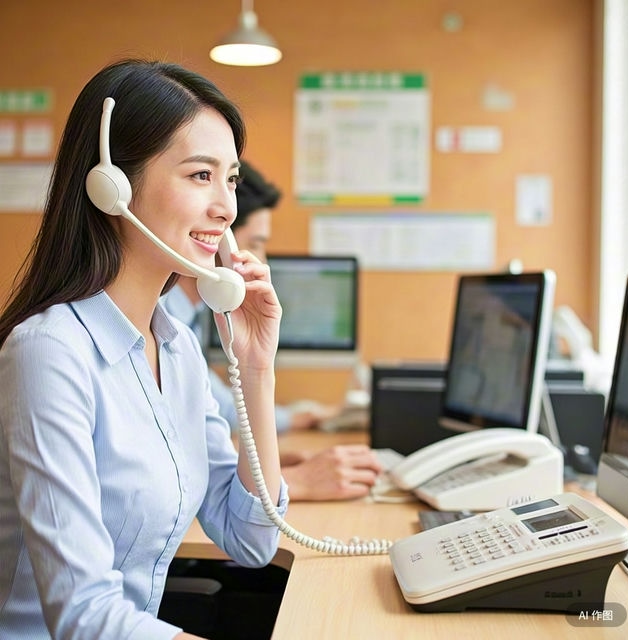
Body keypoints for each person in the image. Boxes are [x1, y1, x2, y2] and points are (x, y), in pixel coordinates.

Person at [0, 58, 288, 640]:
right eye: (200, 175)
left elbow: (251, 538)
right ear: (114, 187)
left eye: (230, 179)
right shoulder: (49, 352)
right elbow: (83, 615)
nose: (227, 208)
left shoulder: (175, 349)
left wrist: (257, 369)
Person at [164, 161, 384, 501]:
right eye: (257, 243)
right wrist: (295, 480)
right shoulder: (160, 324)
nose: (262, 259)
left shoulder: (185, 322)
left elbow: (212, 419)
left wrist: (264, 462)